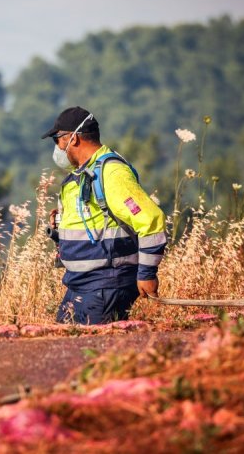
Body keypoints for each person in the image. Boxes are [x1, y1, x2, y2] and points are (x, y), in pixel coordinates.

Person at [42, 106, 167, 324]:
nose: (57, 147)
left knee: (90, 350)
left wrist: (146, 274)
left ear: (73, 138)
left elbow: (150, 220)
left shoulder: (112, 172)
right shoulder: (83, 172)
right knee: (66, 344)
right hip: (81, 283)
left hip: (106, 282)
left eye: (57, 139)